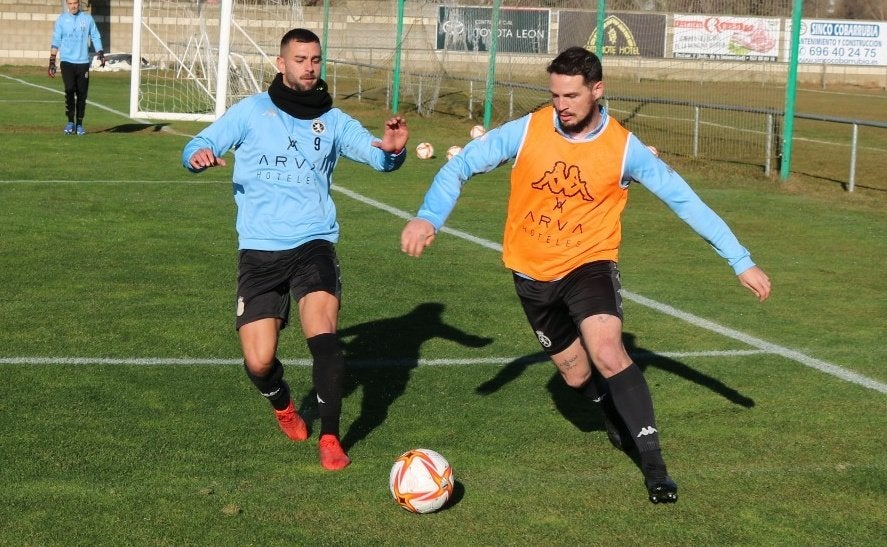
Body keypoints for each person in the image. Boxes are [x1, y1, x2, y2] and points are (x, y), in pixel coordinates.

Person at [401, 46, 771, 503]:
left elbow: (685, 200)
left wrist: (740, 260)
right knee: (576, 376)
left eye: (572, 95)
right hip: (531, 273)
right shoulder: (528, 130)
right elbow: (460, 166)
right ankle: (611, 413)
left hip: (589, 263)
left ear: (597, 90)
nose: (562, 105)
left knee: (608, 350)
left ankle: (655, 468)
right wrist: (428, 217)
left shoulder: (623, 148)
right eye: (555, 95)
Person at [182, 28, 409, 471]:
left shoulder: (334, 120)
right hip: (260, 251)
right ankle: (283, 403)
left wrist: (393, 152)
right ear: (280, 63)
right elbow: (198, 143)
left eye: (316, 59)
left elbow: (376, 154)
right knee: (260, 360)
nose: (309, 67)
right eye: (300, 59)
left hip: (314, 243)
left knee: (324, 338)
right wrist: (198, 156)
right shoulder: (251, 111)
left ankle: (330, 436)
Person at [49, 0, 105, 135]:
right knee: (69, 90)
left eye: (75, 3)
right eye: (70, 3)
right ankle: (70, 122)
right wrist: (52, 61)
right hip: (67, 61)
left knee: (82, 94)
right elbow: (56, 40)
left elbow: (95, 35)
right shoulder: (62, 20)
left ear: (79, 3)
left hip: (83, 62)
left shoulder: (87, 19)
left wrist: (101, 52)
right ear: (67, 4)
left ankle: (79, 124)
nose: (73, 6)